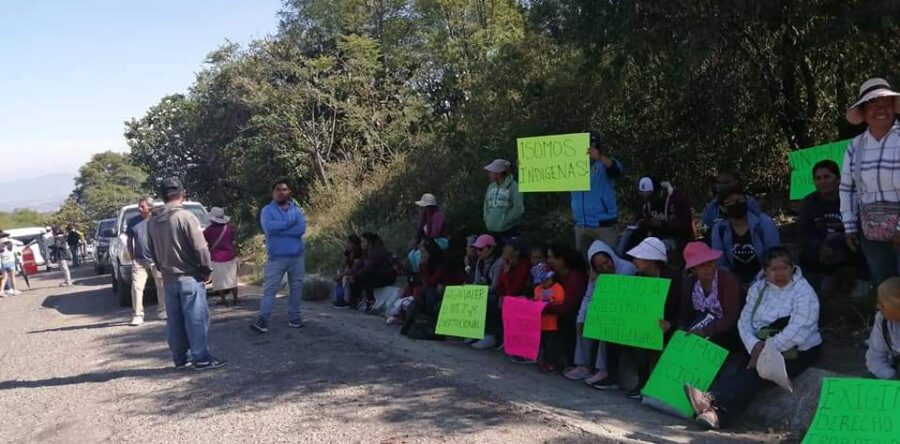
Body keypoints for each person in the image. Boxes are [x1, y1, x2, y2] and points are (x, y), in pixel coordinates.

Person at [684, 247, 821, 429]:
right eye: (773, 269)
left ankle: (712, 403)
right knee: (740, 366)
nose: (780, 273)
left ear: (792, 268)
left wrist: (765, 350)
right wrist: (754, 345)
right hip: (759, 343)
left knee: (757, 373)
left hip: (797, 349)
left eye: (784, 268)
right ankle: (713, 412)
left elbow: (799, 329)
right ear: (765, 270)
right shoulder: (758, 288)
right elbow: (744, 321)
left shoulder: (804, 291)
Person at [146, 177, 225, 371]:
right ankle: (201, 358)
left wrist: (162, 269)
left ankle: (180, 358)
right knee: (196, 319)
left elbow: (152, 250)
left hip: (168, 278)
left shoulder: (152, 221)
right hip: (189, 276)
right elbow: (200, 248)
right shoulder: (186, 217)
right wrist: (206, 270)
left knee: (175, 321)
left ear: (163, 196)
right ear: (183, 193)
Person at [602, 237, 682, 398]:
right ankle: (612, 376)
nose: (635, 261)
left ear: (651, 259)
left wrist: (671, 323)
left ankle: (643, 383)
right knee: (612, 333)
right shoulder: (638, 277)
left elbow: (681, 306)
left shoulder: (674, 278)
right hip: (645, 325)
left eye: (639, 257)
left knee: (640, 343)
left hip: (667, 327)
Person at [840, 77, 900, 289]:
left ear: (894, 108)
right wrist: (849, 226)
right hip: (871, 231)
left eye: (886, 102)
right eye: (873, 103)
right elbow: (847, 188)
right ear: (863, 112)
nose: (881, 108)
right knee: (884, 285)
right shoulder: (855, 146)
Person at [564, 240, 636, 384]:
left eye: (606, 262)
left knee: (606, 327)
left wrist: (599, 279)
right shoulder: (596, 275)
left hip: (623, 313)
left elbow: (616, 292)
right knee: (583, 322)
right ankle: (583, 365)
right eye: (599, 266)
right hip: (604, 311)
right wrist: (580, 318)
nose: (605, 267)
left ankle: (603, 370)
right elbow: (588, 297)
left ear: (611, 256)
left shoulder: (627, 268)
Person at [799, 160, 869, 297]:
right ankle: (822, 283)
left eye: (827, 177)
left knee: (862, 246)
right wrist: (821, 246)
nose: (822, 181)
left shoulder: (852, 198)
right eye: (818, 178)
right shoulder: (809, 202)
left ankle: (863, 281)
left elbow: (861, 227)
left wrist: (835, 243)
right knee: (804, 255)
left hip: (849, 243)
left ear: (838, 179)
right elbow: (805, 231)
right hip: (823, 248)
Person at [252, 178, 307, 333]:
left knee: (296, 288)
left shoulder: (296, 210)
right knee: (270, 290)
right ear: (273, 193)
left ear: (289, 192)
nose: (281, 192)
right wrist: (289, 224)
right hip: (276, 258)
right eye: (278, 189)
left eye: (284, 189)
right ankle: (263, 320)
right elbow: (269, 228)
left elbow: (301, 229)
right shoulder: (267, 211)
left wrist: (281, 229)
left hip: (297, 257)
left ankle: (295, 318)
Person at [678, 242, 742, 352]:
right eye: (702, 265)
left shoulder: (728, 280)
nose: (708, 268)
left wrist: (705, 332)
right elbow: (685, 313)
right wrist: (681, 330)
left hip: (726, 331)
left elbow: (731, 317)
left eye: (711, 262)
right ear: (693, 269)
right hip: (700, 324)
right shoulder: (689, 283)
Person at [711, 186, 780, 286]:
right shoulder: (719, 229)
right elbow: (721, 264)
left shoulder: (764, 223)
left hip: (765, 279)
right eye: (731, 201)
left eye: (741, 199)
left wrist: (757, 283)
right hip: (734, 282)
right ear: (722, 207)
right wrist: (735, 284)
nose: (737, 203)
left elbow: (774, 256)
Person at [571, 130, 623, 256]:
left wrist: (600, 157)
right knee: (584, 262)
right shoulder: (571, 165)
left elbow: (617, 172)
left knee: (609, 259)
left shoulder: (604, 163)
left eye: (591, 143)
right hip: (581, 224)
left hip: (603, 224)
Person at [620, 177, 694, 258]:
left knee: (652, 250)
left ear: (659, 192)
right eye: (644, 196)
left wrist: (661, 224)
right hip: (653, 237)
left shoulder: (676, 199)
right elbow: (639, 218)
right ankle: (623, 260)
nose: (649, 200)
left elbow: (684, 225)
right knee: (628, 236)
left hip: (674, 238)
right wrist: (640, 223)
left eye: (650, 197)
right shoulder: (646, 202)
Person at [544, 242, 589, 370]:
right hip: (558, 310)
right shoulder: (554, 276)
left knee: (565, 321)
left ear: (562, 259)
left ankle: (571, 361)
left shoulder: (576, 277)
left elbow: (568, 306)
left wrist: (544, 306)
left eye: (551, 257)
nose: (548, 261)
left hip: (575, 315)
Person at [126, 196, 167, 326]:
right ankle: (137, 315)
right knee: (136, 288)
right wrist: (132, 258)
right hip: (139, 261)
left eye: (142, 206)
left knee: (161, 286)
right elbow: (129, 241)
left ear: (150, 207)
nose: (139, 208)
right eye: (138, 206)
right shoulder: (133, 222)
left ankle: (162, 311)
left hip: (156, 260)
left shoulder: (157, 220)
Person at [700, 170, 763, 235]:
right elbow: (705, 227)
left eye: (725, 183)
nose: (720, 186)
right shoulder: (713, 205)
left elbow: (760, 224)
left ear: (735, 182)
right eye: (718, 183)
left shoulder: (749, 202)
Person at [469, 234, 504, 349]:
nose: (478, 252)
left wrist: (479, 290)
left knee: (489, 300)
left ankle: (490, 335)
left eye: (481, 249)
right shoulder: (480, 262)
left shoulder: (498, 263)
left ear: (491, 248)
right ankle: (472, 331)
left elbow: (494, 286)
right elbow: (476, 281)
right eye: (477, 249)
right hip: (482, 291)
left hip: (495, 294)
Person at [531, 262, 566, 371]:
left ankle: (553, 363)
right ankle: (542, 361)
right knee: (542, 344)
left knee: (552, 345)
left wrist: (547, 306)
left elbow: (560, 304)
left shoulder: (558, 288)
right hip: (540, 324)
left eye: (546, 280)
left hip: (553, 325)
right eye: (541, 282)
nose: (543, 284)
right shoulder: (537, 289)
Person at [204, 207, 240, 306]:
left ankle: (223, 299)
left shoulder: (209, 230)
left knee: (219, 280)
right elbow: (234, 240)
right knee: (232, 279)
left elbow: (204, 242)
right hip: (230, 256)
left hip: (216, 257)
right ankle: (235, 298)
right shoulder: (229, 228)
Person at [865, 277, 900, 379]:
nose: (877, 306)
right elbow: (875, 357)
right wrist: (890, 377)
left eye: (882, 305)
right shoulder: (882, 320)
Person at [483, 159, 524, 240]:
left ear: (499, 173)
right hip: (491, 230)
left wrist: (504, 222)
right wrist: (487, 219)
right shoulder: (491, 187)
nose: (489, 174)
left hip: (509, 231)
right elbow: (485, 205)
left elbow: (518, 208)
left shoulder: (514, 186)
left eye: (491, 172)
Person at [408, 193, 449, 272]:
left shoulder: (438, 215)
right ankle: (417, 273)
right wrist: (416, 242)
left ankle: (424, 273)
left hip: (441, 240)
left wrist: (425, 243)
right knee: (411, 254)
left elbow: (435, 233)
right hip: (428, 242)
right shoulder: (424, 216)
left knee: (419, 254)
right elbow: (420, 232)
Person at [333, 234, 363, 309]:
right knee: (341, 275)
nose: (347, 245)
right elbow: (342, 264)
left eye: (350, 243)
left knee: (347, 278)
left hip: (358, 272)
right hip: (350, 271)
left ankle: (348, 300)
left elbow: (355, 268)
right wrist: (340, 273)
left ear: (355, 244)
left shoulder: (359, 253)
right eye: (347, 243)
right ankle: (339, 298)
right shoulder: (347, 252)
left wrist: (342, 274)